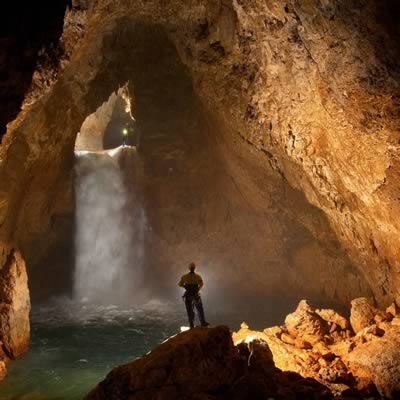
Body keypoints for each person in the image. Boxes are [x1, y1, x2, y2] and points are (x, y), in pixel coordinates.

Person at [179, 262, 209, 328]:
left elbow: (180, 284)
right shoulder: (198, 276)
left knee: (189, 309)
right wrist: (198, 289)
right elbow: (201, 284)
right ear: (194, 268)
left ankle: (191, 324)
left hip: (188, 295)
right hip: (195, 295)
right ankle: (203, 322)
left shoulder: (184, 277)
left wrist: (185, 287)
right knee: (199, 308)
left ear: (189, 268)